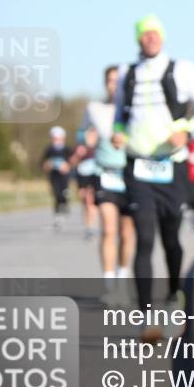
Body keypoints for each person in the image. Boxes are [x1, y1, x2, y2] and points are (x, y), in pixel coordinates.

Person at [112, 14, 194, 341]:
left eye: (155, 33)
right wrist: (117, 133)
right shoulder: (127, 73)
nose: (150, 38)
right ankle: (146, 317)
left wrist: (187, 131)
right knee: (144, 238)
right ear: (138, 39)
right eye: (144, 34)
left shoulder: (182, 69)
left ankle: (174, 295)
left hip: (172, 165)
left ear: (162, 37)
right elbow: (119, 115)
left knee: (171, 237)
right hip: (139, 166)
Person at [80, 65, 135, 306]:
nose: (114, 85)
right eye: (110, 81)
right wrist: (85, 138)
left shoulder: (133, 110)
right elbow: (81, 134)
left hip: (129, 175)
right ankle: (109, 285)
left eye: (118, 81)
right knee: (109, 230)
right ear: (105, 84)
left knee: (127, 233)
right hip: (105, 174)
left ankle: (122, 281)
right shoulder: (95, 109)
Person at [41, 126, 73, 226]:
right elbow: (43, 164)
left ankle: (65, 205)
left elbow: (73, 162)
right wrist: (47, 165)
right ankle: (58, 216)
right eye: (54, 138)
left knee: (64, 194)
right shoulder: (49, 150)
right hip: (54, 176)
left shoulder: (67, 149)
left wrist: (67, 166)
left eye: (58, 138)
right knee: (56, 195)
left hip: (65, 177)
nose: (56, 140)